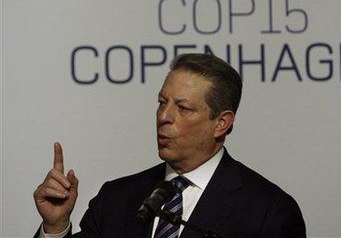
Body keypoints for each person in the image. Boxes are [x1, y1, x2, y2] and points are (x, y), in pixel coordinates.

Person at [33, 53, 306, 238]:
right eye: (162, 103)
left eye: (183, 108)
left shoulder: (269, 212)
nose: (164, 117)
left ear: (221, 123)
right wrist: (56, 226)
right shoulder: (116, 198)